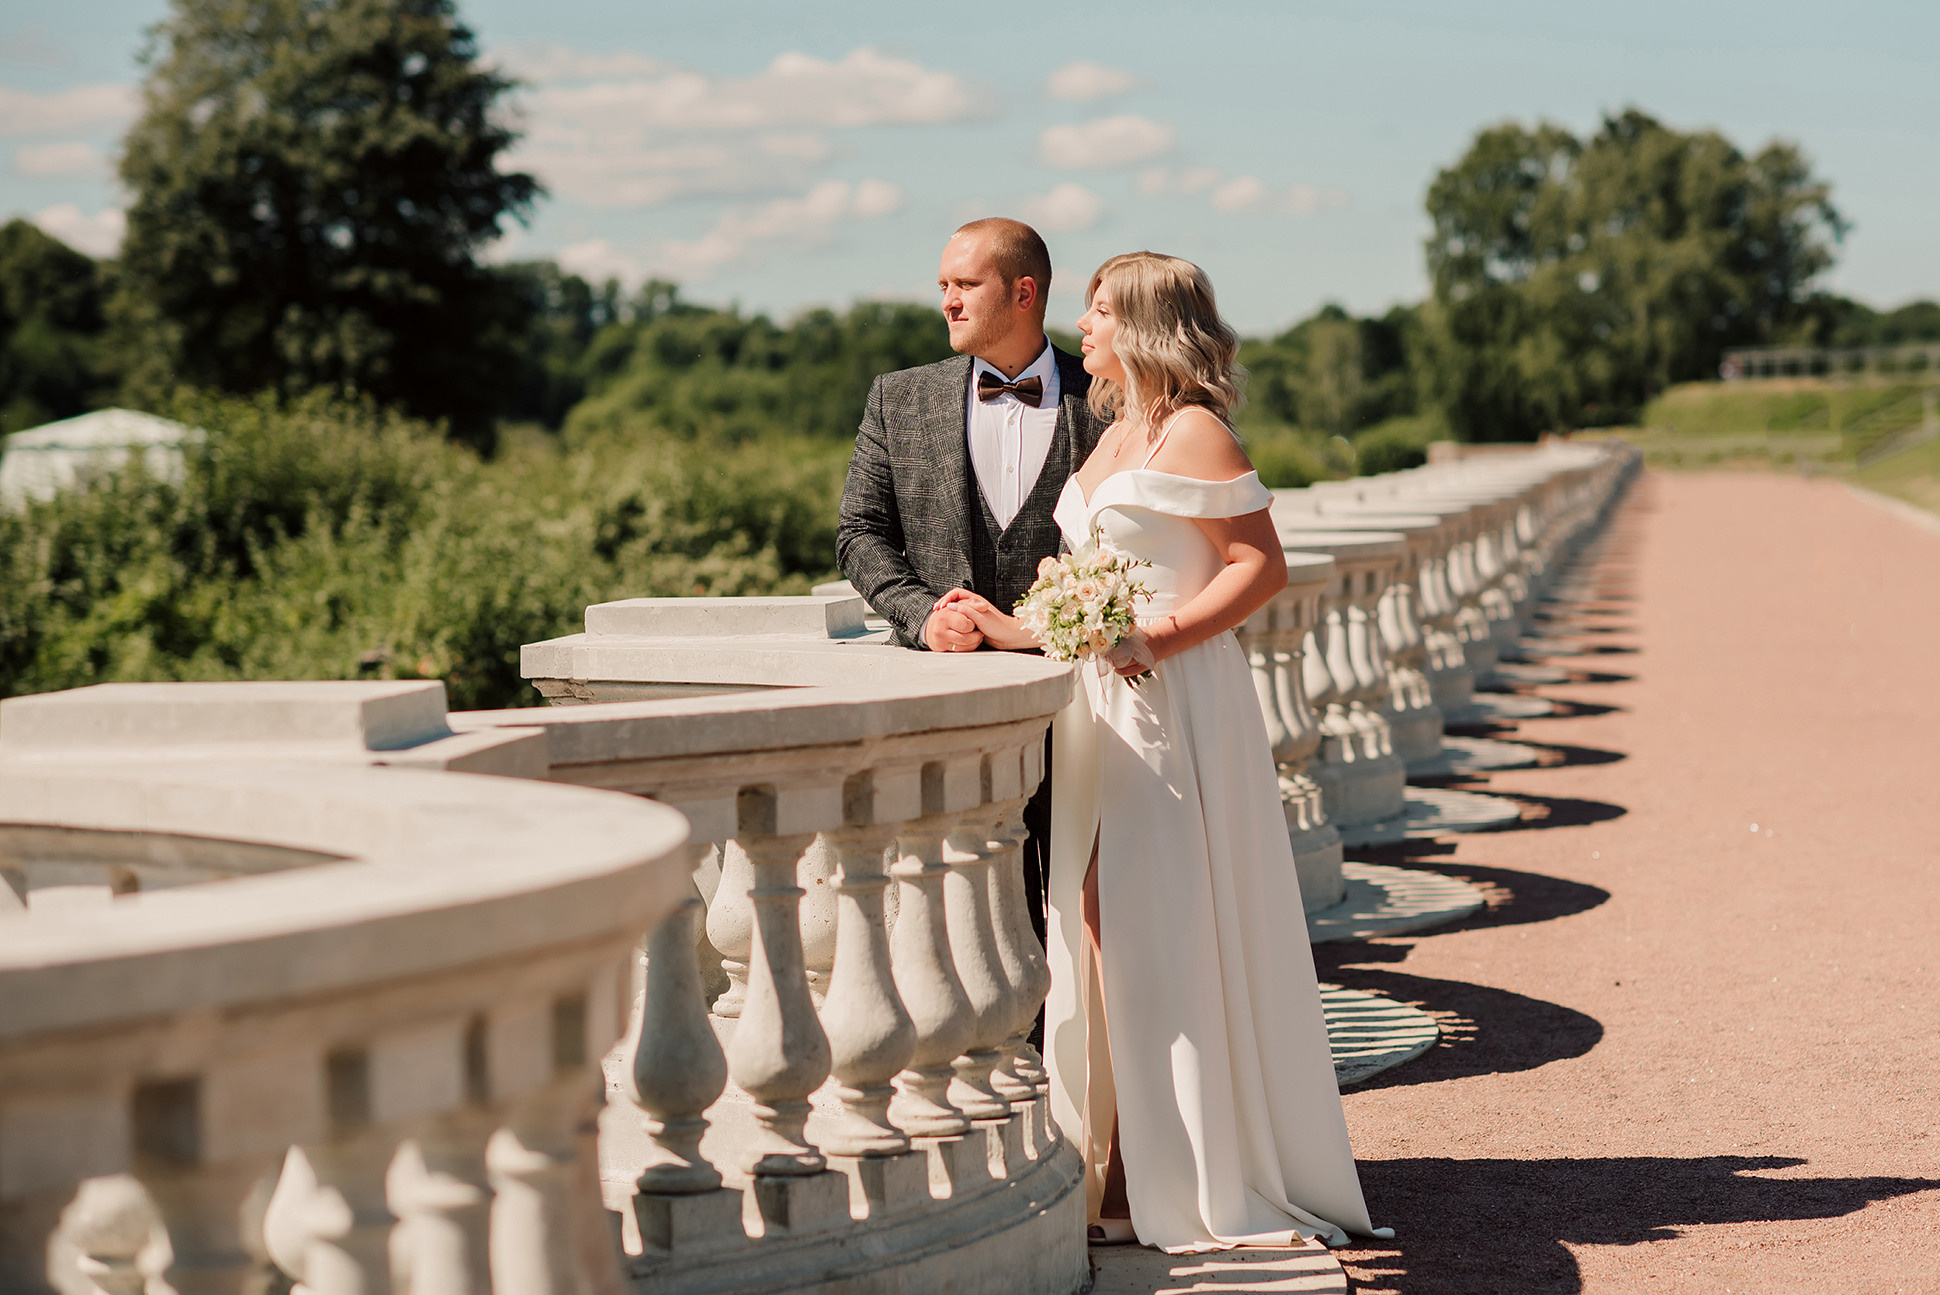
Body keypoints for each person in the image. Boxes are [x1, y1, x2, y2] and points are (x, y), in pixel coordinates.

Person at [937, 252, 1389, 1252]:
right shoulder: (1115, 434)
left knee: (1150, 919)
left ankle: (1167, 1167)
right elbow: (1090, 584)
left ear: (1142, 322)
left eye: (1098, 311)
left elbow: (1258, 564)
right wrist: (1019, 629)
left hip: (1169, 701)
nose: (1081, 327)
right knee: (1098, 927)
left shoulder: (1193, 430)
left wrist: (1154, 636)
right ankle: (1114, 1160)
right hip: (1094, 703)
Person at [837, 218, 1107, 947]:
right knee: (976, 923)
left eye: (965, 285)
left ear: (1023, 292)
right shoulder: (900, 398)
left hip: (1094, 703)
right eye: (943, 288)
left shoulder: (1111, 396)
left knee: (1100, 910)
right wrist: (922, 616)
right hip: (952, 707)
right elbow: (858, 533)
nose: (948, 302)